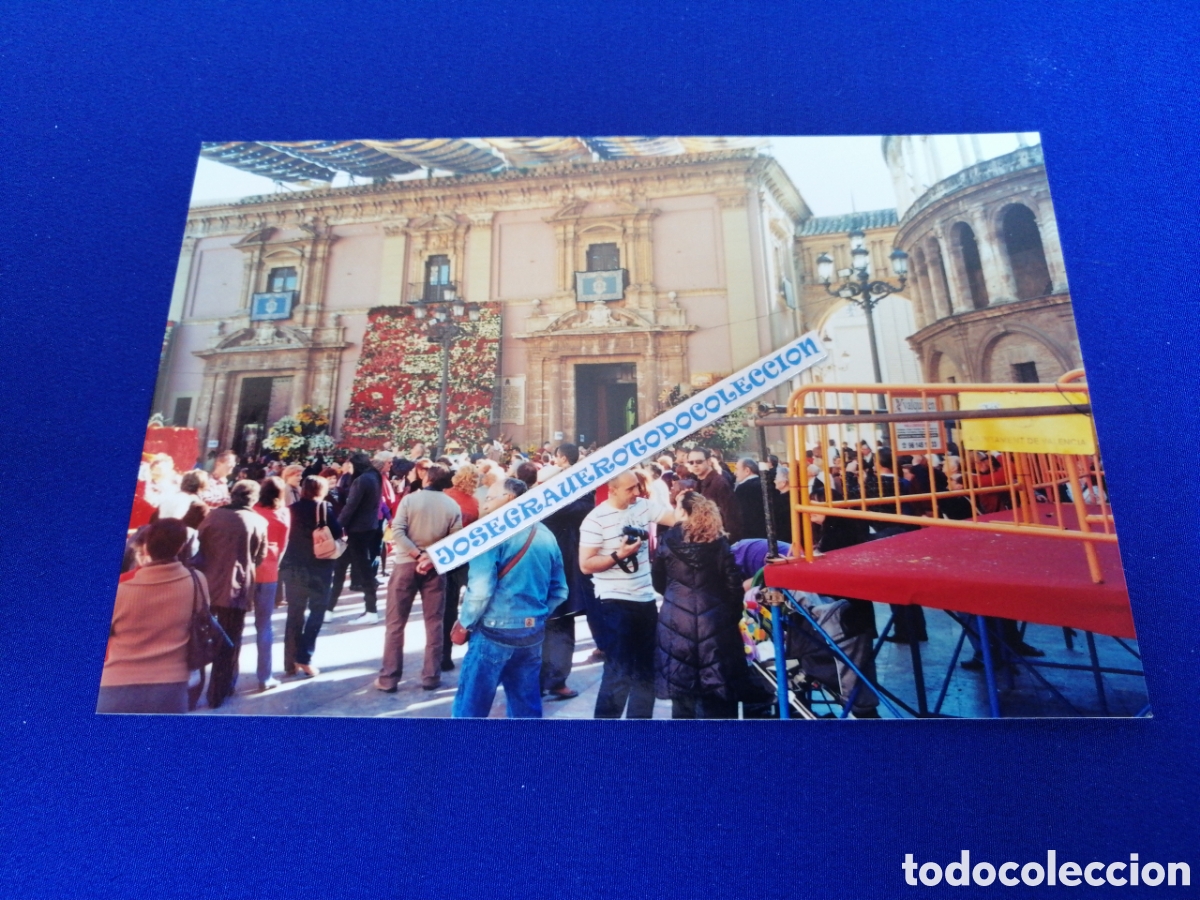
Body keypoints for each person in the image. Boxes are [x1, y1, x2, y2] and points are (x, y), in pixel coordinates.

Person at [450, 479, 569, 718]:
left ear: (509, 499)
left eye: (490, 497)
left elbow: (481, 590)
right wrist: (536, 615)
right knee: (526, 709)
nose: (484, 502)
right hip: (531, 632)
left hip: (493, 632)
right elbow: (560, 590)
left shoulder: (489, 534)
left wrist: (464, 622)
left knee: (470, 708)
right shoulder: (545, 534)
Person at [579, 470, 675, 718]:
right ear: (612, 490)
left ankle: (639, 731)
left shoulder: (643, 506)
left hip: (644, 598)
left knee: (647, 669)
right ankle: (606, 733)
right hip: (614, 600)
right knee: (618, 670)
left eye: (637, 486)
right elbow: (586, 564)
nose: (637, 492)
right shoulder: (595, 520)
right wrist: (618, 555)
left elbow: (675, 519)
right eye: (630, 489)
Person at [652, 491, 748, 719]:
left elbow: (658, 581)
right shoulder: (718, 541)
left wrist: (677, 598)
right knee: (719, 689)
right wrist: (730, 614)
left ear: (683, 511)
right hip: (716, 622)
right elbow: (733, 584)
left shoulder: (667, 540)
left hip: (676, 620)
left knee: (682, 691)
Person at [98, 519, 202, 714]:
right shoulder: (197, 582)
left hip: (114, 683)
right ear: (180, 547)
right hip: (172, 685)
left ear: (145, 548)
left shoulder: (120, 590)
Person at [374, 463, 462, 693]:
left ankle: (389, 678)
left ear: (426, 478)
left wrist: (416, 554)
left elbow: (398, 530)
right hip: (435, 568)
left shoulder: (410, 500)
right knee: (435, 623)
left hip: (405, 564)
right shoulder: (452, 505)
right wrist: (430, 558)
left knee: (395, 624)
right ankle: (431, 676)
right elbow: (454, 541)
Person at [196, 480, 268, 708]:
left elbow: (200, 545)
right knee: (230, 639)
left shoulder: (213, 516)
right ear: (254, 499)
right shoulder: (258, 521)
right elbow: (260, 556)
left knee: (200, 637)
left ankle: (197, 688)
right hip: (236, 587)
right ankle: (220, 690)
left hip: (207, 585)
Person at [538, 442, 594, 700]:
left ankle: (552, 680)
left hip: (558, 570)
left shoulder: (548, 502)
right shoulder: (554, 503)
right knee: (554, 624)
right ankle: (549, 681)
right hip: (551, 570)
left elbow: (583, 507)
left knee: (557, 623)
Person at [279, 476, 343, 678]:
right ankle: (304, 656)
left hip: (294, 566)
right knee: (317, 610)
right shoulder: (323, 509)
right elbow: (338, 531)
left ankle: (289, 662)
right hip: (319, 566)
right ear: (321, 490)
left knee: (295, 613)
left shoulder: (291, 509)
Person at [333, 451, 384, 623]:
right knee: (343, 566)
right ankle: (328, 609)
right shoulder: (374, 477)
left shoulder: (362, 480)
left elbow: (350, 506)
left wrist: (336, 527)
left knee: (363, 570)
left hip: (358, 529)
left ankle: (371, 610)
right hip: (368, 527)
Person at [251, 476, 291, 691]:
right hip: (270, 571)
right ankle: (265, 676)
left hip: (248, 571)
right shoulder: (284, 513)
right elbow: (283, 546)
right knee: (264, 625)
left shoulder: (253, 511)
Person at [440, 463, 481, 671]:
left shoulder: (445, 496)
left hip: (445, 558)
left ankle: (444, 656)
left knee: (447, 607)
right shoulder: (475, 503)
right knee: (474, 604)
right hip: (466, 559)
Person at [686, 447, 742, 542]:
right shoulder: (698, 483)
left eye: (699, 461)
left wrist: (729, 541)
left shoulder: (719, 483)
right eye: (691, 462)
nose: (695, 465)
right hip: (706, 538)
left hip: (719, 539)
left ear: (708, 461)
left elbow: (731, 515)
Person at [732, 457, 769, 540]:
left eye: (737, 469)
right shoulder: (764, 484)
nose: (735, 473)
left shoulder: (743, 488)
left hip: (749, 535)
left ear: (747, 471)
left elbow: (740, 515)